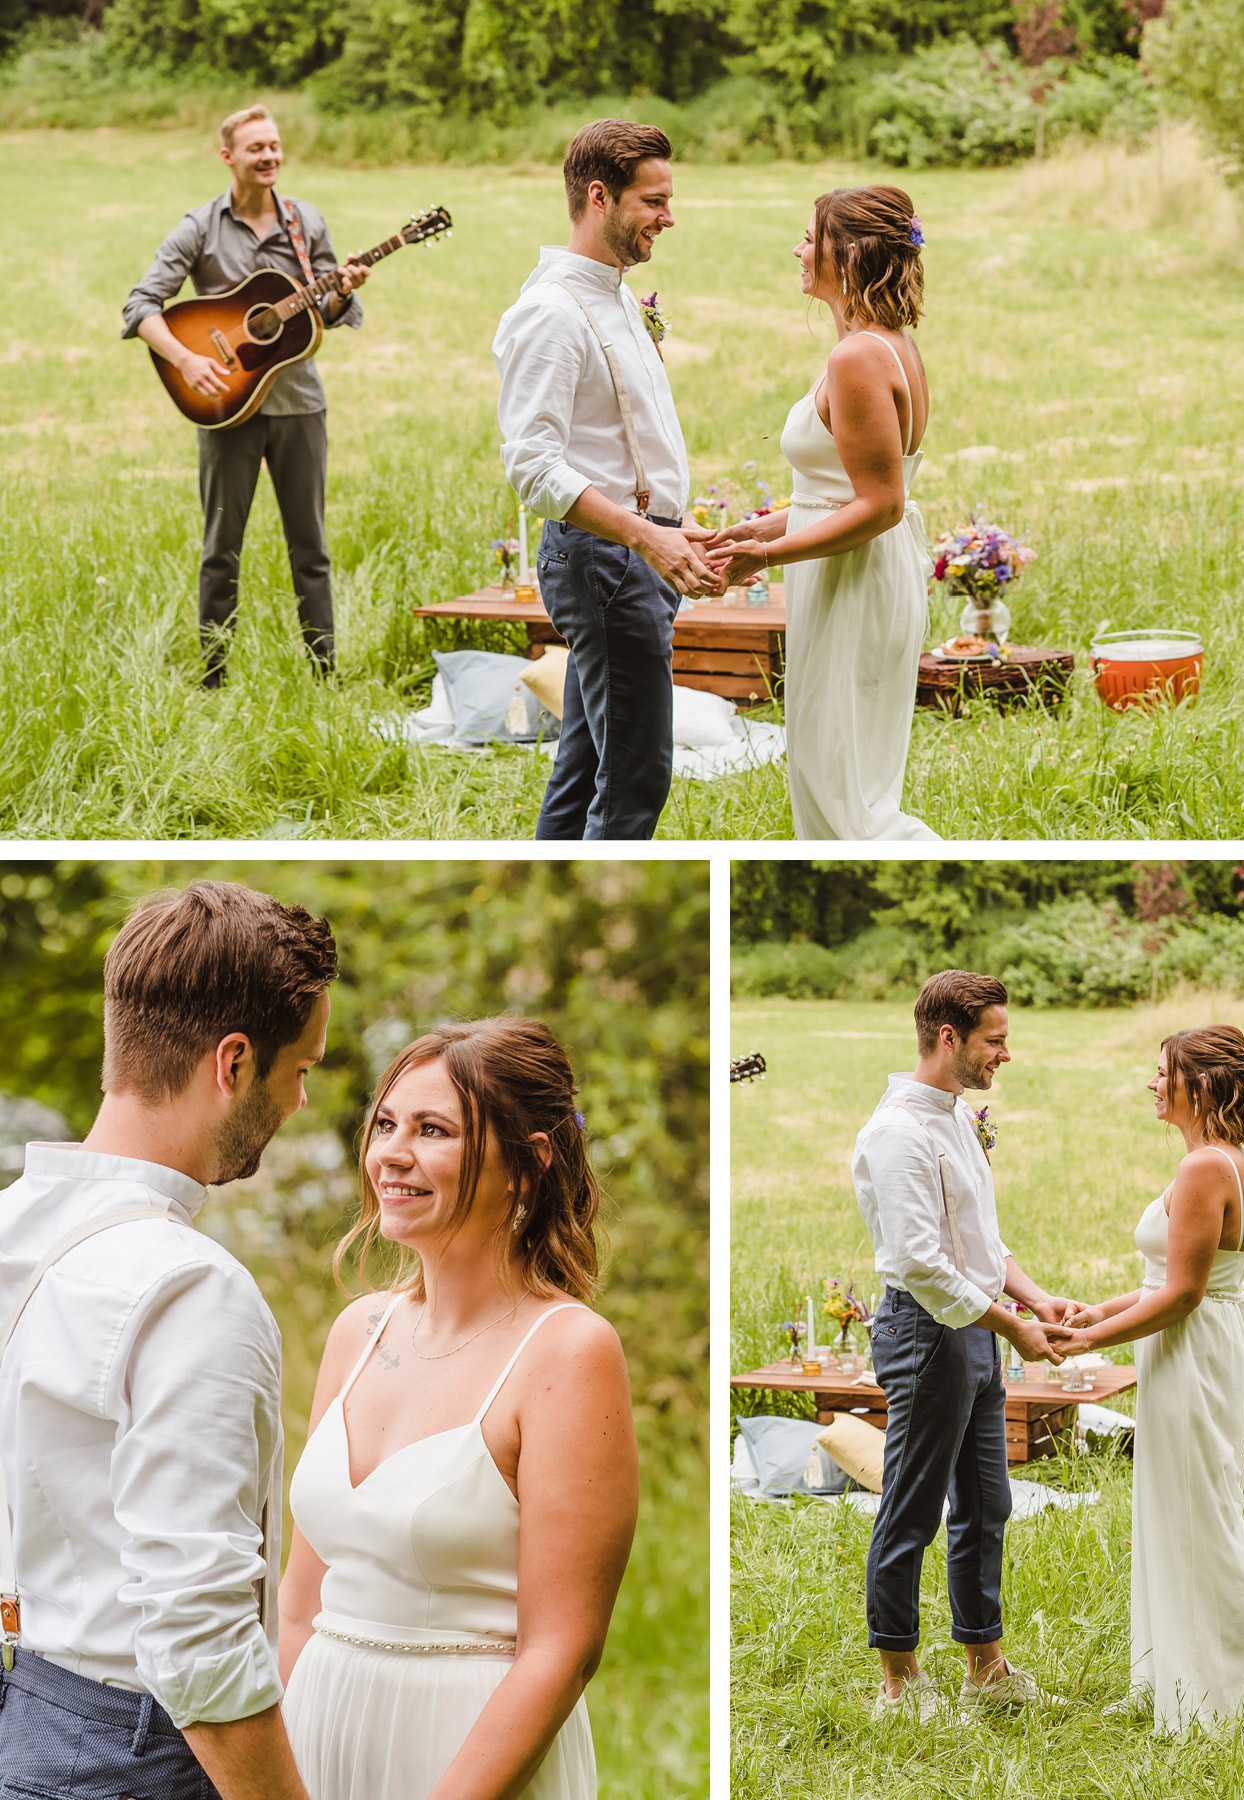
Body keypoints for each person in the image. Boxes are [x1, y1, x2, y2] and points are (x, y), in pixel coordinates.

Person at [0, 879, 338, 1800]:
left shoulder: (10, 1230)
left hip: (27, 1709)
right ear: (232, 1062)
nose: (301, 1102)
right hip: (134, 1755)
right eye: (299, 1069)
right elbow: (198, 1630)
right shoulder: (194, 1288)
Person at [279, 1019, 638, 1800]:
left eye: (433, 1130)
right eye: (386, 1124)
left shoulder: (566, 1352)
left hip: (462, 1756)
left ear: (527, 1164)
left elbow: (563, 1650)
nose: (392, 1154)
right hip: (314, 1736)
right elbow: (299, 1608)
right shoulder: (357, 1332)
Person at [492, 119, 723, 842]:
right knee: (635, 779)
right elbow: (532, 464)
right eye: (653, 201)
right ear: (600, 196)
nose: (668, 216)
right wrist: (645, 538)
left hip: (634, 552)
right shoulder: (551, 313)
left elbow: (622, 442)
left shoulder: (616, 293)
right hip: (605, 561)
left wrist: (673, 526)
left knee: (589, 758)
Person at [852, 970, 1069, 1720]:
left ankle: (985, 1665)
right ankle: (899, 1681)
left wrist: (1035, 1297)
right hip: (925, 1332)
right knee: (912, 1507)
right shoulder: (897, 1132)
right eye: (995, 1039)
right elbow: (918, 1261)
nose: (1005, 1053)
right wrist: (1012, 1325)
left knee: (987, 1503)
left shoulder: (955, 1117)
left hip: (976, 1330)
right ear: (949, 1037)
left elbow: (981, 1242)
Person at [1045, 1025, 1244, 1734]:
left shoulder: (1206, 1168)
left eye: (1161, 1072)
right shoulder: (1213, 1159)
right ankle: (1166, 1675)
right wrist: (1098, 1308)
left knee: (1199, 1513)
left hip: (1192, 1349)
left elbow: (1184, 1294)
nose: (1151, 1083)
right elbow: (1166, 1279)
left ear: (1196, 1087)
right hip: (1191, 1344)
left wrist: (1088, 1341)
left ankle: (1213, 1702)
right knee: (1172, 1504)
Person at [708, 185, 937, 841]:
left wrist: (765, 557)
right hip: (850, 572)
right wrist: (762, 526)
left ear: (850, 253)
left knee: (845, 801)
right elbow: (844, 489)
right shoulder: (881, 343)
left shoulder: (860, 356)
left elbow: (883, 504)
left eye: (810, 237)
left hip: (855, 582)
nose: (799, 250)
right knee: (835, 778)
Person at [122, 105, 369, 687]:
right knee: (220, 549)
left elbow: (329, 312)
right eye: (255, 147)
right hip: (225, 406)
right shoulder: (201, 226)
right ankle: (213, 677)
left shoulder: (304, 222)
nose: (269, 156)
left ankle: (324, 675)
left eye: (275, 146)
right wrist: (187, 359)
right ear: (228, 156)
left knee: (310, 547)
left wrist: (343, 289)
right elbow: (141, 307)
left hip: (299, 406)